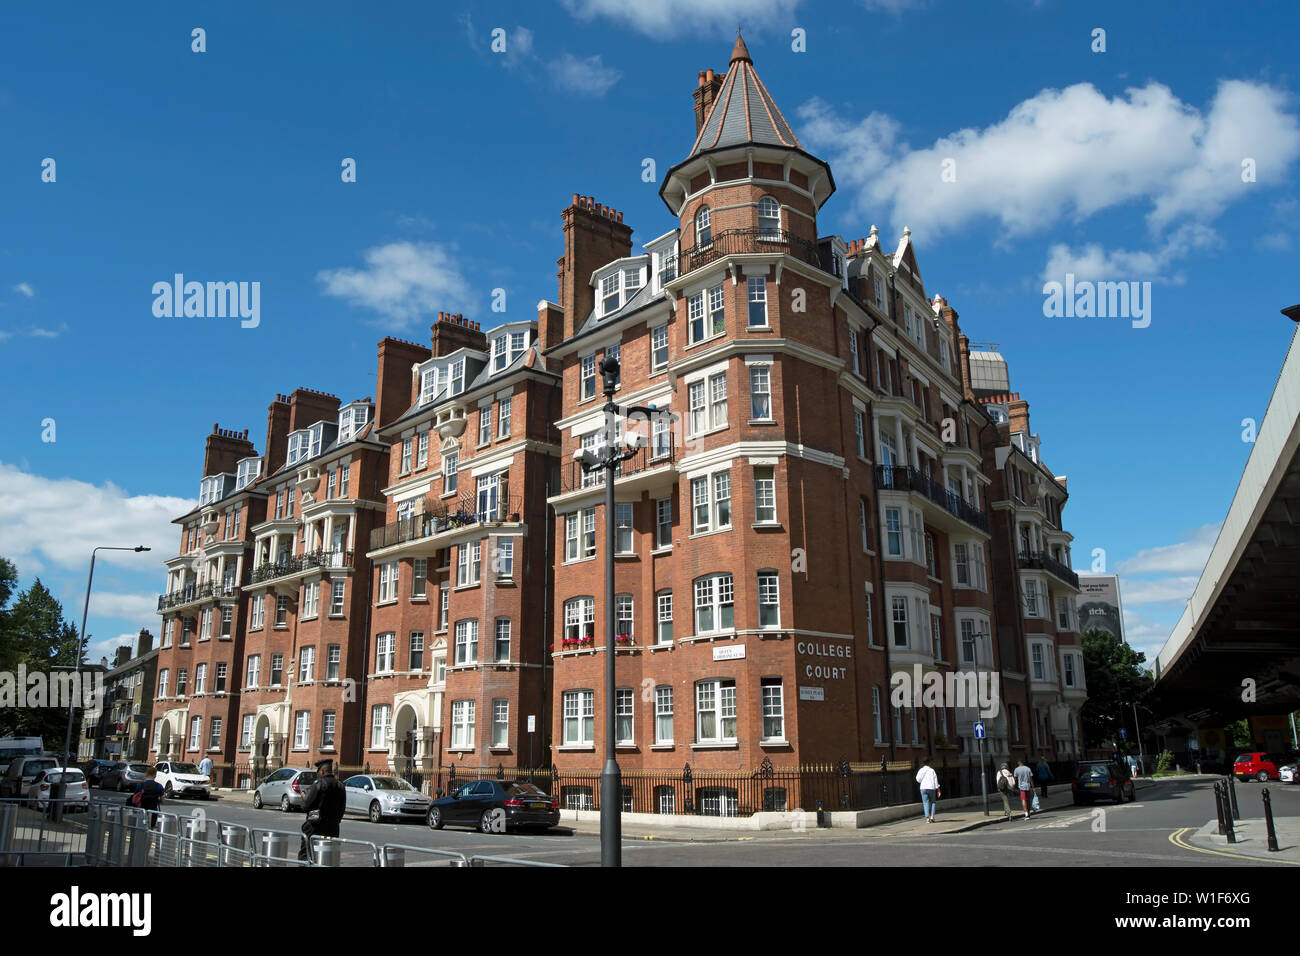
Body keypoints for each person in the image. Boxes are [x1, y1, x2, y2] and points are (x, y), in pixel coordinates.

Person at [298, 759, 346, 862]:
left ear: (323, 771)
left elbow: (305, 806)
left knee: (306, 855)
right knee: (328, 857)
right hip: (332, 828)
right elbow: (342, 809)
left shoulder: (319, 784)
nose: (317, 773)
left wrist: (304, 796)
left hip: (314, 827)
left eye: (318, 771)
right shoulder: (340, 786)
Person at [915, 756, 941, 824]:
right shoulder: (932, 770)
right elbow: (935, 780)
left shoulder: (921, 770)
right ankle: (932, 816)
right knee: (933, 802)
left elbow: (918, 779)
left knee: (925, 803)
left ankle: (927, 818)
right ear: (929, 762)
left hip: (923, 788)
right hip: (931, 787)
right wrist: (938, 789)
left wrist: (922, 781)